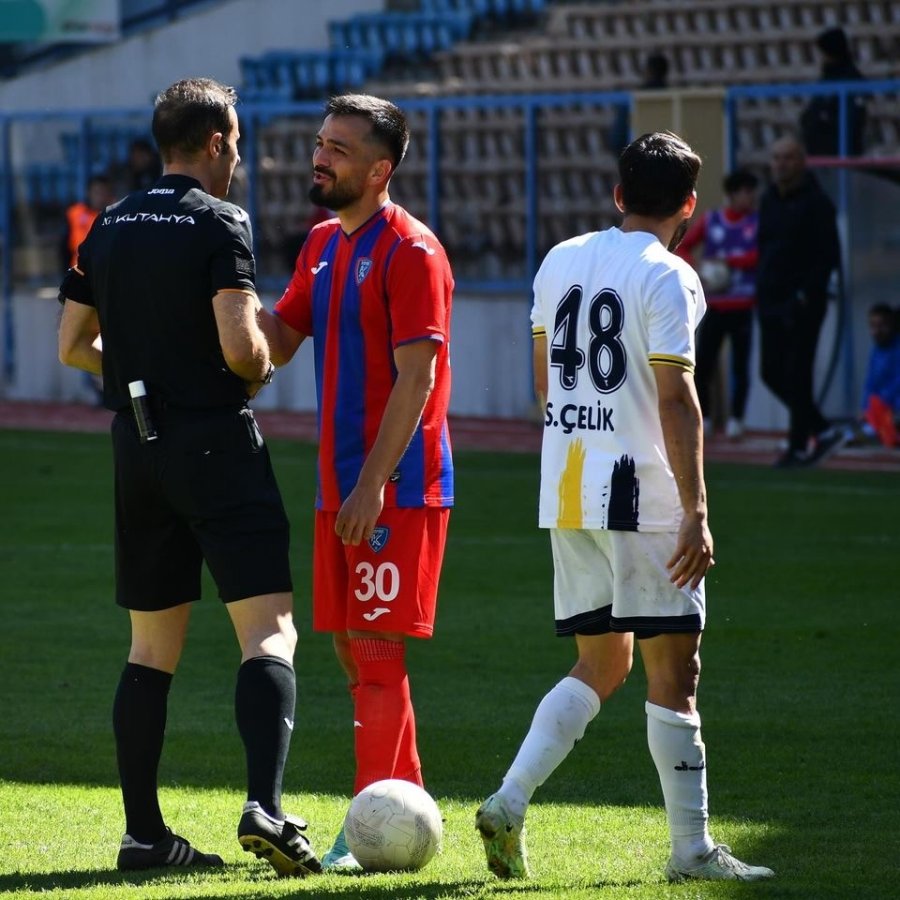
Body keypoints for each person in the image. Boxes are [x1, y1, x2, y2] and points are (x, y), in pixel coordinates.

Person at [475, 132, 774, 884]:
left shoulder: (559, 259)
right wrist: (698, 510)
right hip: (640, 495)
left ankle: (510, 800)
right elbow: (677, 397)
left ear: (616, 195)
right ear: (689, 207)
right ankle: (693, 853)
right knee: (676, 669)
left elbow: (545, 385)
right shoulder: (670, 276)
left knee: (601, 658)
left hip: (568, 487)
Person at [57, 77, 320, 878]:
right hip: (212, 442)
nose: (237, 154)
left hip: (136, 449)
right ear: (212, 143)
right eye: (235, 141)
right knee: (269, 632)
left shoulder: (109, 222)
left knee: (149, 650)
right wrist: (258, 370)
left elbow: (71, 343)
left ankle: (144, 836)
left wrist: (143, 376)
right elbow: (244, 348)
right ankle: (265, 808)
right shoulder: (219, 219)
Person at [257, 93, 454, 871]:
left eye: (338, 147)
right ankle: (401, 807)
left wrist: (374, 484)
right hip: (336, 485)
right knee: (349, 650)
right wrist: (228, 297)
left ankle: (364, 823)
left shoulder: (412, 252)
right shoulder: (320, 245)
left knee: (373, 648)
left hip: (393, 490)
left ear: (380, 169)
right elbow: (278, 338)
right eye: (319, 141)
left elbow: (417, 379)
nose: (321, 155)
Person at [756, 135, 845, 467]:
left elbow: (828, 256)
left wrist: (806, 294)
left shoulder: (817, 203)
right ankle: (821, 429)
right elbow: (765, 249)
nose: (781, 164)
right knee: (770, 372)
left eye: (788, 158)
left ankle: (798, 447)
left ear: (802, 161)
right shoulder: (769, 200)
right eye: (777, 157)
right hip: (770, 299)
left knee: (798, 372)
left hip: (803, 302)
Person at [676, 170, 759, 439]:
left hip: (743, 303)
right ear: (732, 194)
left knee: (741, 366)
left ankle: (737, 419)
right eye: (746, 192)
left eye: (752, 192)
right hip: (716, 303)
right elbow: (684, 246)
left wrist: (729, 263)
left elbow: (759, 255)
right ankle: (707, 417)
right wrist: (698, 269)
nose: (750, 198)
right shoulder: (712, 221)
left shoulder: (757, 223)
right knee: (704, 363)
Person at [800, 26, 867, 157]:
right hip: (821, 151)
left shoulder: (849, 79)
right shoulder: (829, 77)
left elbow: (851, 118)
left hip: (838, 151)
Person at [859, 303, 900, 447]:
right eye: (873, 326)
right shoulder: (876, 351)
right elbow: (870, 384)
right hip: (882, 409)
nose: (877, 331)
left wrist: (884, 402)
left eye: (882, 325)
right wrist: (865, 408)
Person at [60, 174, 116, 272]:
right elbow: (64, 248)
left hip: (106, 274)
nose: (100, 198)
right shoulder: (74, 213)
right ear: (88, 193)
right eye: (97, 192)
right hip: (78, 274)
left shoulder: (117, 216)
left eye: (104, 193)